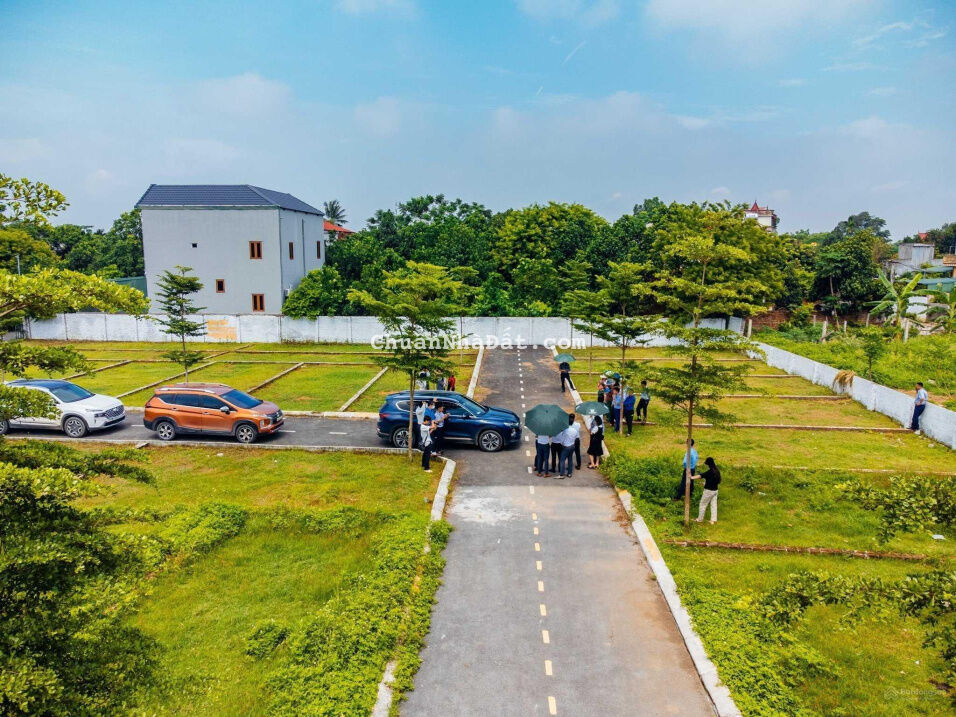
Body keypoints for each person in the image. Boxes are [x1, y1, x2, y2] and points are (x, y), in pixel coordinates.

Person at [692, 457, 721, 523]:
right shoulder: (717, 471)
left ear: (708, 464)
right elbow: (714, 481)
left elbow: (701, 476)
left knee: (703, 504)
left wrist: (691, 477)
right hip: (715, 491)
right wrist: (705, 483)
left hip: (708, 491)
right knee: (713, 505)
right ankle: (713, 520)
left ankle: (699, 519)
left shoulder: (710, 472)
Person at [557, 414, 579, 478]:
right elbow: (575, 438)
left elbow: (562, 438)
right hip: (572, 446)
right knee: (570, 459)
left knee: (562, 460)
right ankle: (569, 473)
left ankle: (562, 474)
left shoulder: (565, 430)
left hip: (566, 446)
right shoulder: (575, 430)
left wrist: (562, 443)